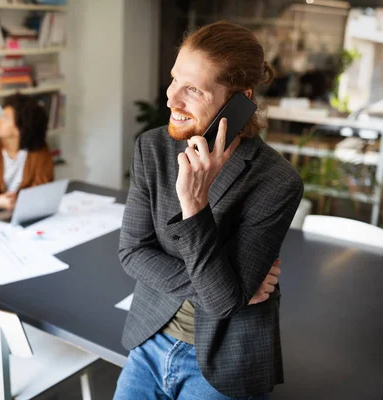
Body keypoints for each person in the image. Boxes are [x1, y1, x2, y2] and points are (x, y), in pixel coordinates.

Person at [115, 21, 304, 399]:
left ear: (239, 100)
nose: (171, 100)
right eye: (174, 80)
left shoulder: (276, 182)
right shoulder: (152, 150)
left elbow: (222, 305)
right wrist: (229, 291)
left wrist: (194, 203)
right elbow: (132, 253)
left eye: (192, 89)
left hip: (225, 362)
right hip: (150, 337)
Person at [0, 94, 54, 211]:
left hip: (29, 210)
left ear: (20, 128)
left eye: (5, 118)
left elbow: (42, 188)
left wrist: (18, 202)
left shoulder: (40, 151)